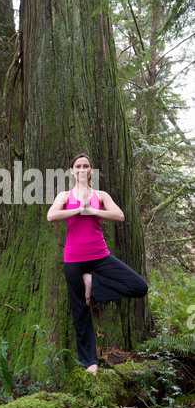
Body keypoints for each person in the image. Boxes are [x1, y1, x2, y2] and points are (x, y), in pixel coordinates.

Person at [47, 153, 148, 376]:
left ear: (91, 170)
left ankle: (92, 281)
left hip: (100, 256)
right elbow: (51, 216)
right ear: (72, 171)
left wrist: (92, 210)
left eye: (86, 166)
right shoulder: (65, 195)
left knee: (139, 287)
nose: (82, 169)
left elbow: (119, 216)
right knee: (80, 311)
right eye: (78, 166)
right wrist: (78, 209)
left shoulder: (100, 195)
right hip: (73, 259)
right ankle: (90, 362)